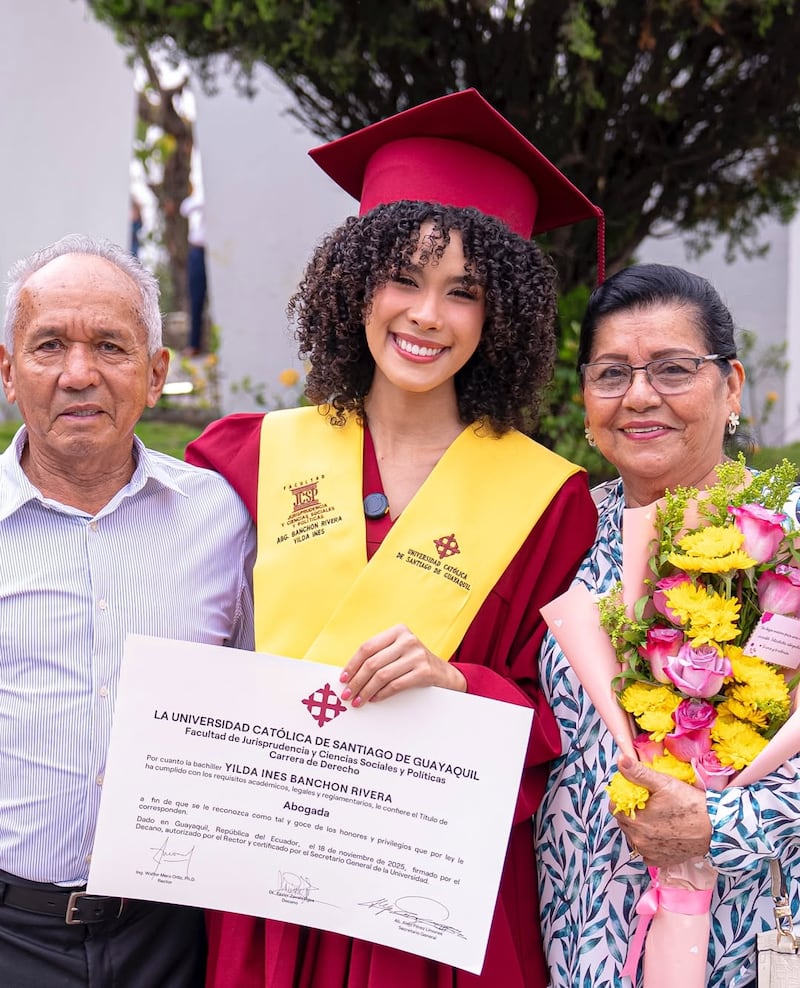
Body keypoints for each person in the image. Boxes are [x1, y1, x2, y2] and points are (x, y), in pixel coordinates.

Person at [185, 88, 602, 987]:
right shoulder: (248, 459)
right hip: (273, 882)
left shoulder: (549, 503)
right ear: (356, 282)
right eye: (404, 278)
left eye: (464, 292)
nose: (426, 316)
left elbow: (568, 717)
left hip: (435, 897)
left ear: (501, 317)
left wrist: (458, 682)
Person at [0, 234, 256, 987]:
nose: (79, 374)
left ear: (154, 375)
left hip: (171, 932)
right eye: (49, 345)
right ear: (9, 373)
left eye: (110, 346)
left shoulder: (224, 519)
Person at [535, 262, 800, 988]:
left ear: (733, 386)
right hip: (579, 933)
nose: (640, 395)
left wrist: (725, 825)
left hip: (745, 937)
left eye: (673, 369)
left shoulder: (791, 534)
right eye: (612, 373)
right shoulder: (562, 534)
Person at [180, 187, 208, 355]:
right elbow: (185, 208)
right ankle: (194, 344)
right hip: (199, 250)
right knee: (196, 299)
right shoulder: (204, 194)